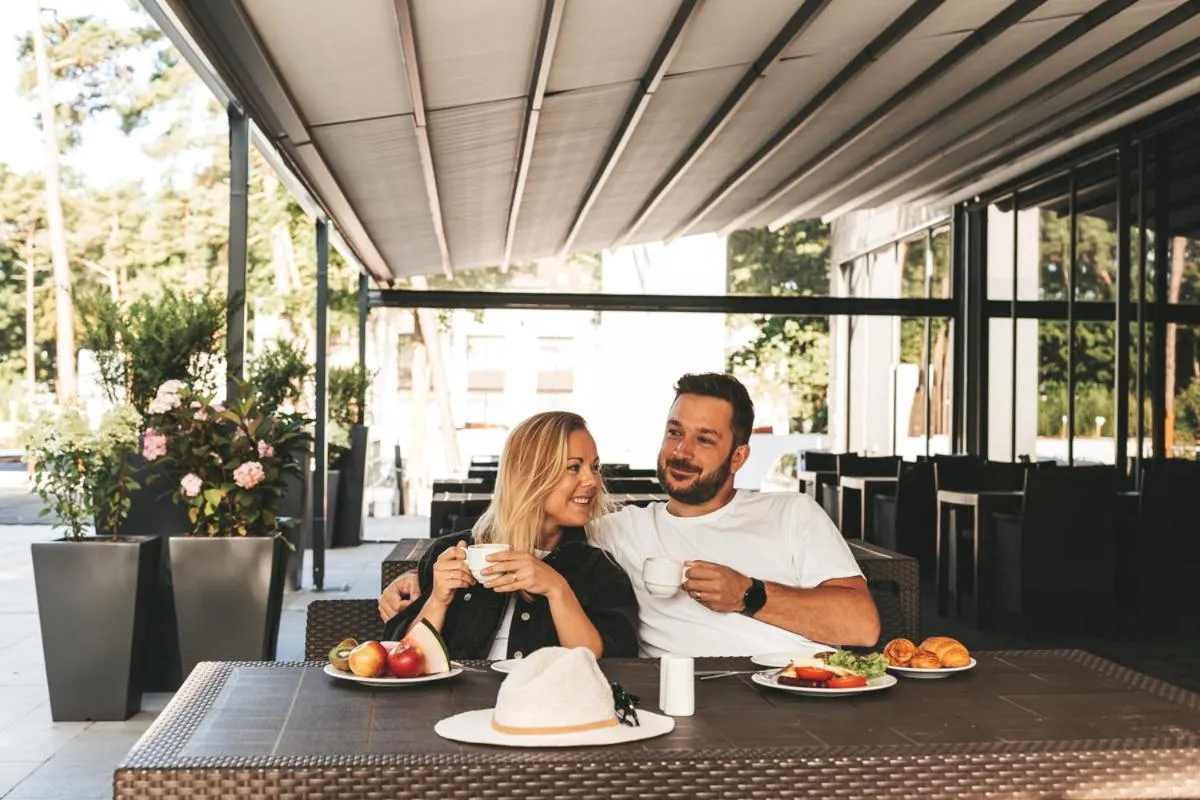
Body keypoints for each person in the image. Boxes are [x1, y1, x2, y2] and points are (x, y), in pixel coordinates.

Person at [380, 374, 878, 658]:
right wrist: (420, 578)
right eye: (674, 431)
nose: (682, 451)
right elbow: (532, 530)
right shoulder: (616, 531)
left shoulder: (790, 512)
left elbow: (862, 626)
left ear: (739, 457)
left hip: (804, 689)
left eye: (705, 440)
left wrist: (750, 594)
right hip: (683, 702)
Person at [381, 411, 638, 660]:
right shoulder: (453, 553)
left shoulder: (600, 571)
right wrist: (439, 599)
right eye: (574, 467)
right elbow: (407, 660)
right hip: (455, 703)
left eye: (594, 467)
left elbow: (609, 665)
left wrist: (556, 589)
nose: (592, 480)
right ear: (530, 475)